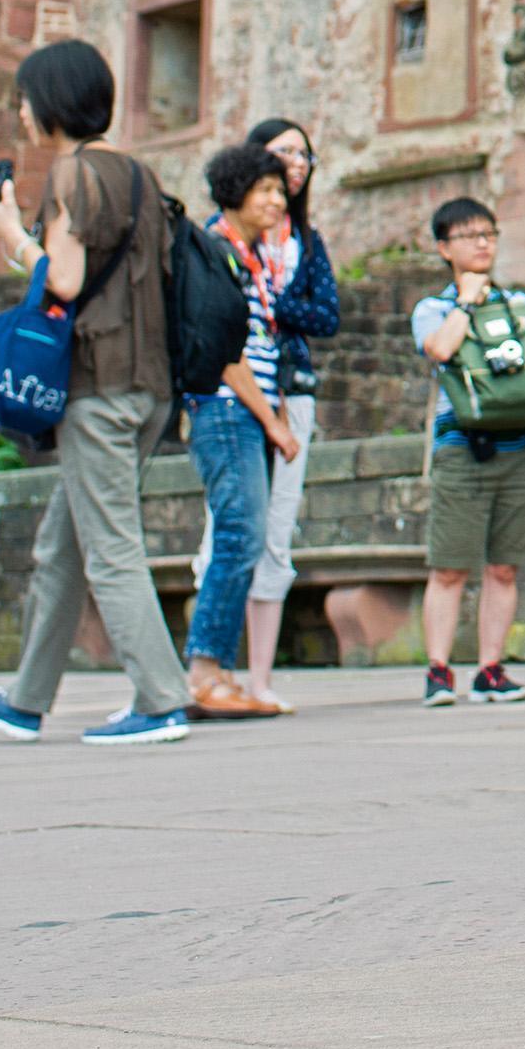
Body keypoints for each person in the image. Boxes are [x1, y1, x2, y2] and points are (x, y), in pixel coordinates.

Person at [0, 38, 194, 747]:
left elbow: (61, 280)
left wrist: (6, 234)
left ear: (51, 100)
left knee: (111, 546)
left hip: (98, 388)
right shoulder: (140, 176)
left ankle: (160, 698)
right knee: (63, 544)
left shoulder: (73, 175)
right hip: (147, 386)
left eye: (24, 99)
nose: (21, 113)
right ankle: (26, 699)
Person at [209, 115, 340, 708]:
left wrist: (279, 311)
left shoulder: (304, 241)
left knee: (274, 533)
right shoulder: (225, 244)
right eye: (284, 153)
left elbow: (328, 315)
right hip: (239, 397)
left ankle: (256, 677)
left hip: (292, 386)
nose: (295, 164)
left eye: (304, 156)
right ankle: (211, 667)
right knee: (230, 531)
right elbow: (222, 330)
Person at [179, 144, 300, 719]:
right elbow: (223, 351)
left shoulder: (249, 255)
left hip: (243, 411)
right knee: (237, 534)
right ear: (235, 192)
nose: (279, 200)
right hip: (227, 409)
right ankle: (204, 672)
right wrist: (273, 421)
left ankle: (220, 674)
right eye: (266, 190)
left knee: (244, 537)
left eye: (281, 190)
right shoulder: (214, 252)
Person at [413, 195, 525, 706]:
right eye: (470, 236)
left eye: (489, 233)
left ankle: (491, 668)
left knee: (505, 566)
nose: (483, 243)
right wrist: (467, 301)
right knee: (449, 566)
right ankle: (439, 669)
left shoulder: (520, 304)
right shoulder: (434, 308)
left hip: (523, 446)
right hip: (463, 447)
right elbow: (441, 349)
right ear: (445, 247)